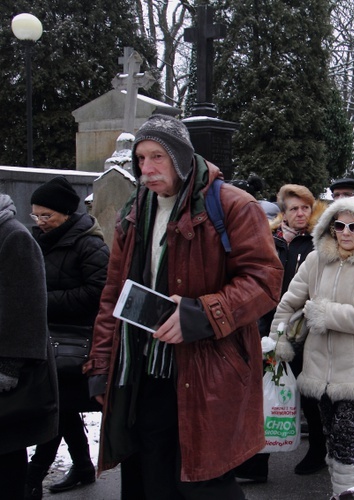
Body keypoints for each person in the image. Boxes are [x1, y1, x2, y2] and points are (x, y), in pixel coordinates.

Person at [84, 114, 283, 499]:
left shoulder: (232, 205)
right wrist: (102, 363)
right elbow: (114, 293)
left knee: (203, 483)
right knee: (147, 476)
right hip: (141, 367)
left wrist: (201, 314)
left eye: (157, 156)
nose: (147, 169)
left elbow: (265, 280)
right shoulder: (136, 207)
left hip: (207, 369)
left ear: (179, 157)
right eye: (141, 159)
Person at [270, 196, 354, 495]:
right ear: (330, 227)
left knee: (347, 437)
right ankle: (337, 489)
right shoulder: (315, 260)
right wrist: (279, 340)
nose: (346, 232)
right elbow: (289, 302)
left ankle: (343, 494)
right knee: (329, 434)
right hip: (319, 367)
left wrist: (324, 313)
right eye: (339, 225)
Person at [235, 184, 327, 482]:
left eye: (305, 208)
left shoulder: (318, 243)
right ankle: (258, 464)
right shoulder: (271, 241)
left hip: (305, 331)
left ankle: (318, 449)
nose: (300, 214)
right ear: (283, 213)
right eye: (293, 209)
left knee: (310, 396)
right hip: (269, 328)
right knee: (268, 395)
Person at [24, 177, 109, 499]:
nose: (40, 223)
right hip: (49, 338)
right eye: (36, 216)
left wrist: (42, 299)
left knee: (57, 408)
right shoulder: (37, 241)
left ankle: (31, 478)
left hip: (77, 341)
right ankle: (83, 467)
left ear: (65, 214)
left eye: (47, 216)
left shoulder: (89, 244)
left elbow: (98, 292)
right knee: (64, 407)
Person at [0, 193, 59, 500]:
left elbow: (28, 307)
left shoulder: (13, 236)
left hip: (9, 373)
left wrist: (9, 367)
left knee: (6, 451)